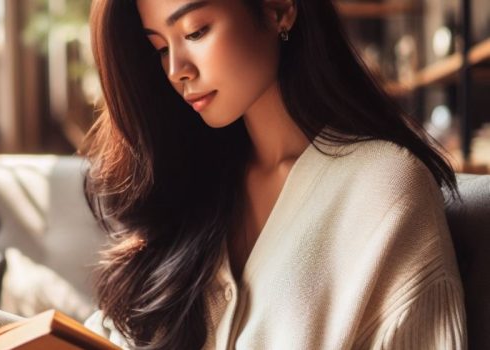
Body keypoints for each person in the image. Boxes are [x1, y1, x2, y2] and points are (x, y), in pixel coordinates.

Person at [78, 0, 467, 349]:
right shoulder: (193, 188)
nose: (177, 70)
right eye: (160, 48)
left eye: (195, 31)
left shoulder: (384, 187)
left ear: (278, 9)